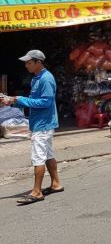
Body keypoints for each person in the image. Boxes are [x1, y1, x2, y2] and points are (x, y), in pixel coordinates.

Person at [1, 50, 62, 205]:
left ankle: (36, 192)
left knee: (38, 157)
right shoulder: (36, 78)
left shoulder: (46, 79)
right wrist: (13, 100)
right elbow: (34, 100)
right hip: (40, 122)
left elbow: (45, 102)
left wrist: (19, 99)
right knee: (48, 154)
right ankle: (56, 184)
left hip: (43, 124)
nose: (26, 65)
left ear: (38, 62)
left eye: (29, 62)